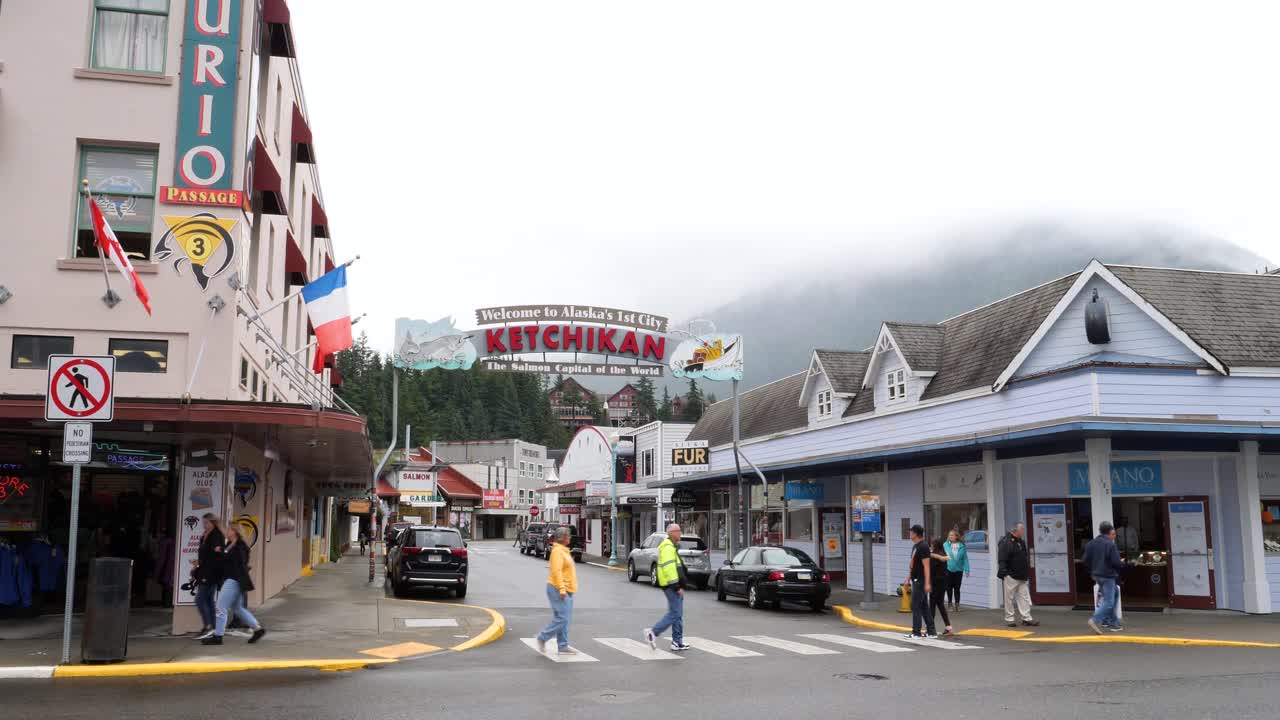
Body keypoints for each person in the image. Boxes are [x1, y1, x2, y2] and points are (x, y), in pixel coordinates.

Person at [202, 523, 265, 645]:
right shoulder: (229, 545)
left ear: (234, 531)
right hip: (233, 579)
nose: (227, 531)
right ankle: (258, 629)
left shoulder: (240, 546)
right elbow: (227, 560)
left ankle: (218, 636)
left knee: (221, 607)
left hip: (234, 580)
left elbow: (239, 563)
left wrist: (223, 554)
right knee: (238, 608)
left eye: (229, 529)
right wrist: (221, 552)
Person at [645, 523, 691, 652]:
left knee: (677, 614)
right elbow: (670, 569)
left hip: (673, 585)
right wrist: (677, 587)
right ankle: (653, 633)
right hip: (672, 586)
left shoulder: (671, 546)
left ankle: (677, 641)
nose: (680, 533)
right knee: (675, 613)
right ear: (672, 533)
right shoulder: (668, 548)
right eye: (678, 531)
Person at [534, 527, 579, 655]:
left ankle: (563, 645)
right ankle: (542, 638)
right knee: (562, 618)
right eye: (568, 536)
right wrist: (562, 588)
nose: (570, 538)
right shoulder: (557, 552)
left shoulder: (564, 550)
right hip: (557, 588)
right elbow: (556, 571)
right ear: (563, 538)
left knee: (565, 619)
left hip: (567, 589)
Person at [1083, 521, 1128, 634]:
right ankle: (1095, 619)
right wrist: (1123, 563)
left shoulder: (1091, 544)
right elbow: (1116, 563)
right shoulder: (1110, 544)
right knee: (1109, 601)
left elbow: (1085, 560)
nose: (1114, 536)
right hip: (1108, 576)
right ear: (1109, 533)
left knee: (1115, 594)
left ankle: (1111, 622)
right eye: (1113, 534)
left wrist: (1092, 572)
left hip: (1097, 575)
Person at [997, 522, 1039, 627]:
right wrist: (1005, 573)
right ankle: (1009, 619)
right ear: (1016, 530)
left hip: (1022, 575)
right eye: (1022, 529)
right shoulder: (1006, 542)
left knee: (1024, 597)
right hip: (1011, 575)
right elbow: (1002, 559)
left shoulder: (1021, 542)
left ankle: (1027, 618)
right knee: (1009, 598)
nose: (1023, 531)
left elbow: (1024, 556)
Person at [191, 514, 224, 640]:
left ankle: (208, 626)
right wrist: (196, 567)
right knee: (209, 600)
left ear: (213, 523)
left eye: (207, 523)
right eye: (203, 523)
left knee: (200, 599)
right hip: (203, 571)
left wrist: (218, 551)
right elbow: (204, 555)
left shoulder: (216, 535)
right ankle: (212, 626)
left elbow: (217, 555)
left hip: (210, 573)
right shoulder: (206, 535)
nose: (204, 525)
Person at [902, 524, 935, 639]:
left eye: (911, 532)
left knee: (915, 606)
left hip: (920, 580)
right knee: (924, 606)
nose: (910, 533)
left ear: (916, 534)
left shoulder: (923, 546)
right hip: (915, 578)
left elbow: (926, 566)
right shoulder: (915, 546)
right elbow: (913, 565)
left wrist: (927, 583)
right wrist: (907, 578)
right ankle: (931, 631)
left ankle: (916, 632)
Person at [928, 538, 954, 636]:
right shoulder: (942, 554)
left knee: (932, 605)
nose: (931, 546)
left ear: (935, 545)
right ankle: (948, 627)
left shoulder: (935, 557)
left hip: (936, 583)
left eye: (932, 544)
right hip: (943, 583)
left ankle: (930, 628)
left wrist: (928, 582)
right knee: (940, 604)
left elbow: (931, 570)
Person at [943, 529, 970, 612]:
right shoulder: (945, 545)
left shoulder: (961, 546)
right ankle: (950, 604)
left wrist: (967, 569)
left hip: (959, 570)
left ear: (956, 536)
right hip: (948, 569)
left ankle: (957, 605)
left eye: (952, 535)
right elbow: (942, 556)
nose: (950, 536)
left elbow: (965, 559)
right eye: (949, 535)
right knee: (949, 588)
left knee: (957, 588)